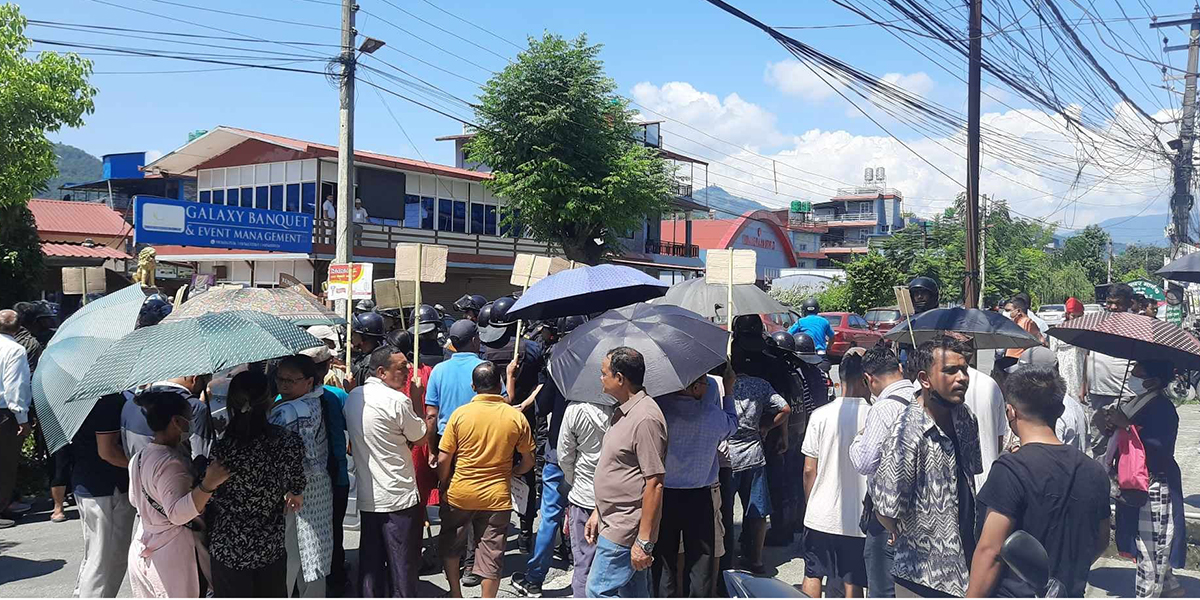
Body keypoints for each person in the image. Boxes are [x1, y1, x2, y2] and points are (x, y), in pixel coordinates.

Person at [966, 365, 1111, 598]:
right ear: (1061, 409)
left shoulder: (1010, 470)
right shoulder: (1095, 471)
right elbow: (1101, 539)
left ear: (1011, 412)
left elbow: (990, 551)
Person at [870, 335, 982, 598]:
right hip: (923, 578)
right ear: (924, 379)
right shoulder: (906, 434)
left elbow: (971, 479)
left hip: (968, 567)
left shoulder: (965, 417)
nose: (962, 377)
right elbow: (886, 512)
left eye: (964, 369)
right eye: (950, 370)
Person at [437, 361, 535, 598]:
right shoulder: (515, 417)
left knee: (452, 545)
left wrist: (444, 482)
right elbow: (529, 460)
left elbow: (443, 458)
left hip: (461, 492)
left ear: (473, 386)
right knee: (491, 552)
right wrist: (515, 472)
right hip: (497, 496)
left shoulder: (460, 415)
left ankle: (455, 593)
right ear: (500, 384)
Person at [208, 371, 306, 597]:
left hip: (228, 546)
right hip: (269, 544)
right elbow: (297, 483)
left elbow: (211, 494)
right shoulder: (287, 442)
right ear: (270, 400)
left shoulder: (223, 448)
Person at [126, 390, 230, 598]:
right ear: (176, 421)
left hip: (146, 546)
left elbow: (134, 499)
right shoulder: (170, 463)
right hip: (174, 556)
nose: (191, 422)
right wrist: (208, 485)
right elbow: (177, 513)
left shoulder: (139, 457)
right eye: (188, 418)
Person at [344, 346, 428, 598]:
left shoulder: (354, 397)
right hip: (398, 495)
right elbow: (421, 437)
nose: (407, 373)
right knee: (402, 565)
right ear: (382, 372)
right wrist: (416, 398)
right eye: (401, 368)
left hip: (371, 495)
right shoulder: (398, 401)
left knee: (371, 565)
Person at [586, 347, 667, 598]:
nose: (601, 379)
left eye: (604, 374)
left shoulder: (645, 419)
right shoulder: (623, 411)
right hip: (612, 519)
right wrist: (598, 511)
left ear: (620, 378)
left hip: (625, 527)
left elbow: (654, 483)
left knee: (597, 592)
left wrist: (643, 542)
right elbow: (618, 469)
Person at [651, 368, 738, 598]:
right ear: (695, 387)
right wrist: (728, 393)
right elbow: (733, 425)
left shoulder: (661, 411)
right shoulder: (711, 414)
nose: (708, 387)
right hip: (699, 495)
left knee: (664, 559)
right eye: (704, 382)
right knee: (701, 561)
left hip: (665, 494)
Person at [1104, 360, 1186, 597]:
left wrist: (1127, 426)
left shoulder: (1162, 408)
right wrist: (1113, 425)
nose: (1133, 377)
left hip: (1154, 480)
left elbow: (1159, 448)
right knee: (1146, 539)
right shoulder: (1135, 402)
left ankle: (1147, 593)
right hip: (1135, 480)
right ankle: (1170, 586)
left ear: (1154, 381)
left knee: (1151, 547)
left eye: (1138, 373)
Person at [802, 351, 871, 598]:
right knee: (853, 579)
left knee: (813, 573)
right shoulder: (874, 415)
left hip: (820, 514)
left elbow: (810, 468)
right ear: (867, 379)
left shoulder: (820, 415)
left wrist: (812, 503)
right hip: (858, 518)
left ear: (840, 380)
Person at [849, 346, 916, 598]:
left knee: (882, 588)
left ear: (868, 379)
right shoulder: (921, 397)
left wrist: (857, 441)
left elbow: (865, 463)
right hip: (919, 510)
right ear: (899, 368)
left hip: (887, 514)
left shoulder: (882, 408)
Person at [271, 355, 334, 597]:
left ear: (309, 381)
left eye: (291, 381)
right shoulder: (315, 401)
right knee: (312, 553)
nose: (284, 386)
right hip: (314, 488)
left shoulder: (291, 410)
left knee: (291, 556)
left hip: (294, 492)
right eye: (280, 379)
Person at [727, 339, 790, 574]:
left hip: (727, 456)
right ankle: (756, 560)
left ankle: (726, 558)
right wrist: (765, 427)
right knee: (757, 510)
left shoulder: (722, 386)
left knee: (723, 512)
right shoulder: (761, 385)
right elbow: (785, 409)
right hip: (754, 453)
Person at [70, 390, 137, 597]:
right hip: (107, 487)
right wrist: (140, 468)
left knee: (97, 556)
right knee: (105, 559)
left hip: (89, 482)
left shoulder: (81, 397)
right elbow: (107, 451)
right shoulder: (108, 400)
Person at [558, 377, 615, 597]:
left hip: (583, 495)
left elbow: (565, 455)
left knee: (583, 561)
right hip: (614, 497)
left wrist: (574, 480)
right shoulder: (621, 411)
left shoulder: (574, 410)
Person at [304, 345, 352, 596]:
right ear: (327, 367)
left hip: (304, 481)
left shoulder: (282, 400)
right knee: (334, 527)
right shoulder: (338, 395)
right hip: (336, 475)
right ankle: (334, 575)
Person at [1085, 283, 1136, 460]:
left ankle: (1124, 483)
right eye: (1109, 302)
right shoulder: (1099, 322)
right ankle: (1101, 483)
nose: (1113, 307)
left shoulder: (1137, 327)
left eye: (1118, 303)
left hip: (1124, 395)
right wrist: (1084, 385)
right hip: (1097, 393)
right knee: (1098, 445)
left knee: (1123, 446)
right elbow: (1088, 354)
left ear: (1130, 303)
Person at [0, 309, 32, 530]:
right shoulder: (15, 350)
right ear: (18, 328)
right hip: (4, 414)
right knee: (5, 464)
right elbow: (15, 387)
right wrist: (23, 419)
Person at [1051, 298, 1087, 403]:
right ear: (1067, 315)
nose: (1075, 319)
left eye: (1078, 316)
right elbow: (1053, 353)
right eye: (1073, 316)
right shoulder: (1058, 330)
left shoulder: (1086, 331)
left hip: (1081, 369)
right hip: (1064, 369)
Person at [350, 312, 388, 389]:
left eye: (354, 334)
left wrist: (350, 389)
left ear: (364, 337)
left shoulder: (371, 364)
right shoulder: (366, 357)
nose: (351, 338)